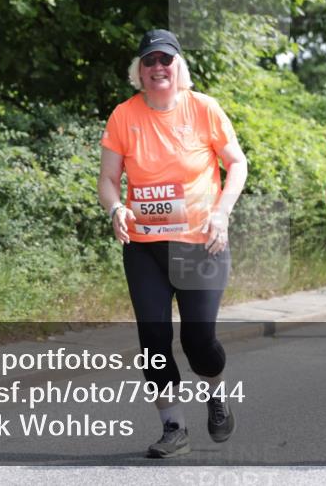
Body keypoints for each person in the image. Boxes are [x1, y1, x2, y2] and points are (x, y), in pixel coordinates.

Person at [97, 29, 248, 458]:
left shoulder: (204, 109)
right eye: (149, 62)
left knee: (200, 341)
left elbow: (236, 163)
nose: (158, 68)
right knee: (154, 341)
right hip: (145, 245)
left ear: (179, 66)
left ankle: (216, 394)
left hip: (200, 243)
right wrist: (115, 210)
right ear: (139, 72)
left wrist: (222, 211)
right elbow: (108, 180)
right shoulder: (124, 116)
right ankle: (173, 426)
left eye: (166, 60)